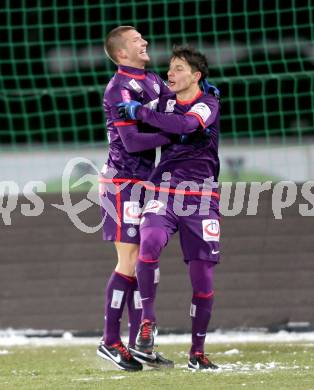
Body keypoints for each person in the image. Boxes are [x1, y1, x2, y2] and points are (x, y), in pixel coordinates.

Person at [118, 46, 221, 370]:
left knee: (202, 278)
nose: (170, 75)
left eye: (178, 69)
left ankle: (197, 352)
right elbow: (123, 116)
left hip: (201, 198)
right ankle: (148, 322)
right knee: (148, 243)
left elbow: (188, 126)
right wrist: (128, 109)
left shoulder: (209, 104)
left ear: (196, 75)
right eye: (170, 69)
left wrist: (143, 114)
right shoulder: (162, 102)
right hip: (163, 190)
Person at [97, 25, 174, 371]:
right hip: (123, 183)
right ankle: (110, 341)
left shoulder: (154, 80)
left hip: (149, 182)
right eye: (135, 40)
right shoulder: (118, 89)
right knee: (128, 262)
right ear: (121, 53)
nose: (144, 41)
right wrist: (176, 135)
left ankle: (140, 343)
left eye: (144, 36)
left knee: (146, 261)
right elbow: (131, 143)